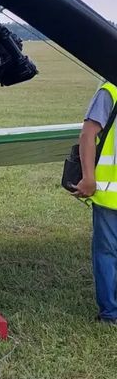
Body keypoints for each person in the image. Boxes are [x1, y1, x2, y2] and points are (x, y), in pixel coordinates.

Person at [74, 81, 117, 324]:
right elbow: (88, 134)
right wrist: (89, 177)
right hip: (111, 194)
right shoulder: (109, 91)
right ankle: (110, 313)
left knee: (107, 252)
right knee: (108, 251)